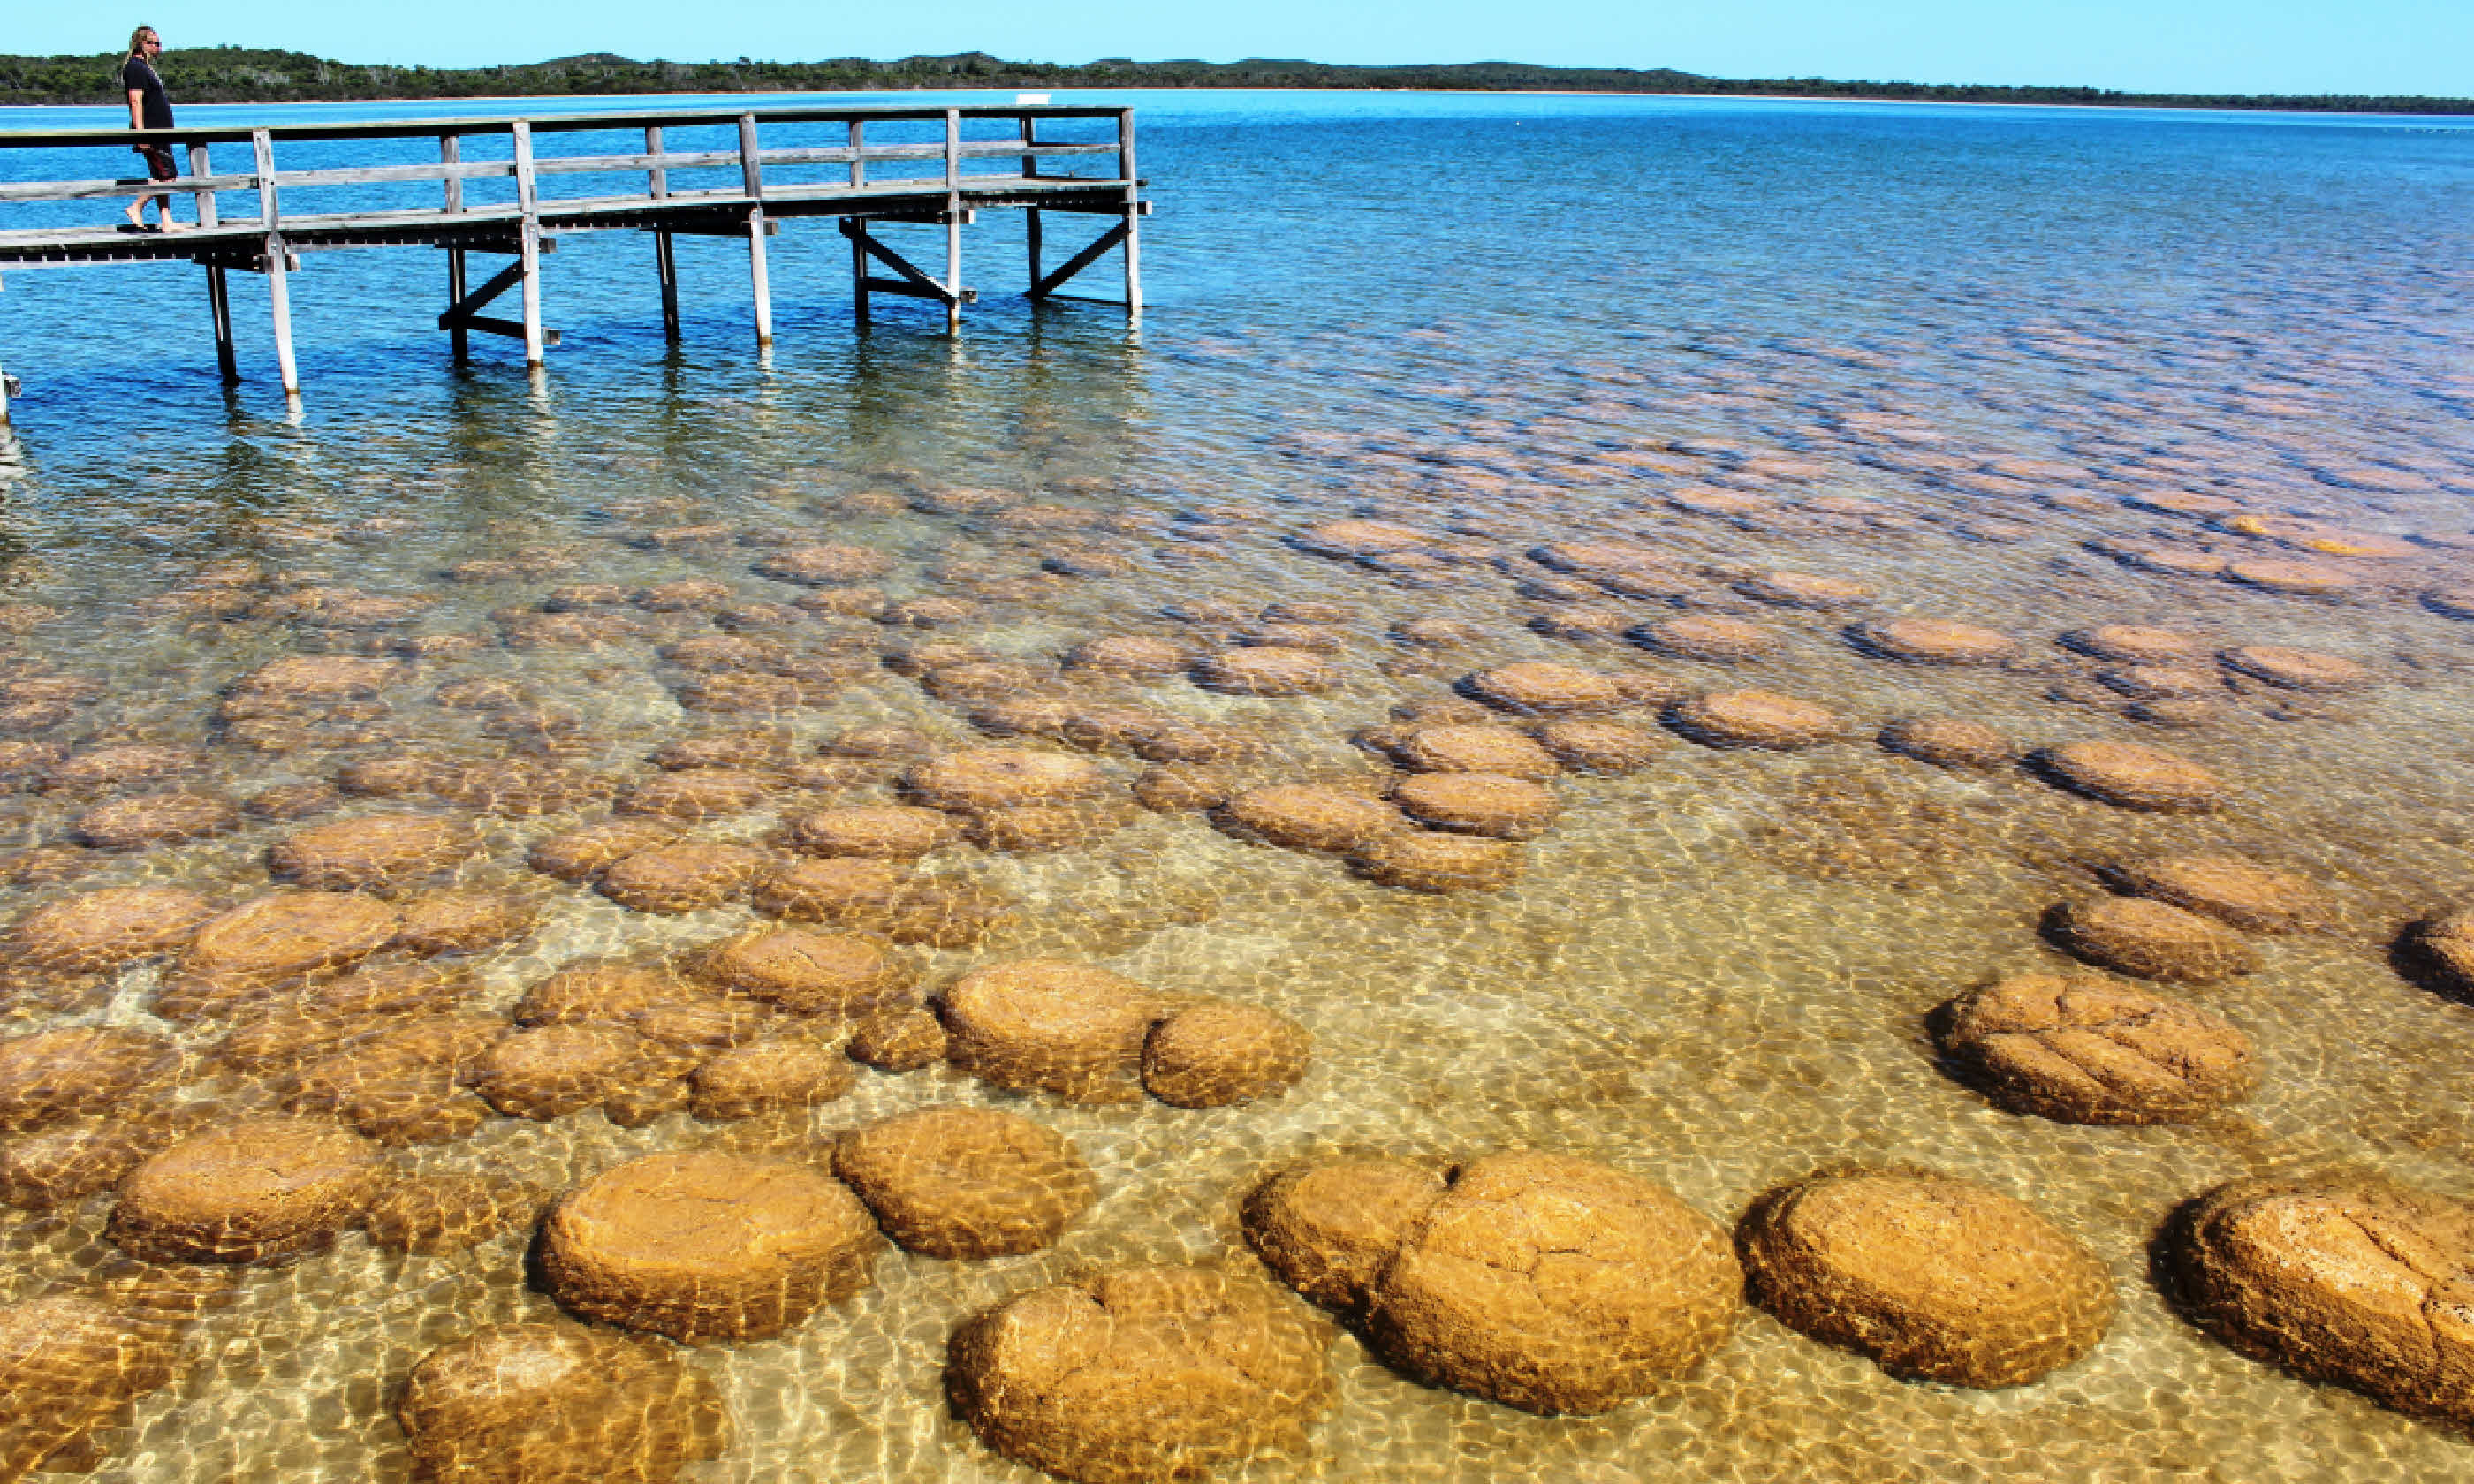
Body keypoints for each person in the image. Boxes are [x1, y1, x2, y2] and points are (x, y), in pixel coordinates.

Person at [121, 26, 182, 233]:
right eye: (154, 44)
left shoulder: (145, 67)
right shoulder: (135, 68)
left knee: (160, 175)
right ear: (142, 44)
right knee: (168, 176)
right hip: (151, 132)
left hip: (161, 132)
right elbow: (135, 101)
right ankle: (136, 207)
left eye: (159, 44)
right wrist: (142, 134)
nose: (159, 48)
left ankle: (166, 220)